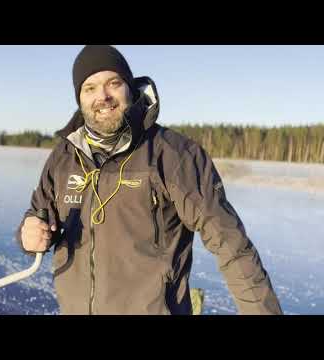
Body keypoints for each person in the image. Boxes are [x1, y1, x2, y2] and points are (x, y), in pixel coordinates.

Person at [16, 45, 283, 315]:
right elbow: (38, 215)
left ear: (130, 88)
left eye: (113, 83)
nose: (103, 97)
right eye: (90, 88)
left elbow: (231, 245)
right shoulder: (64, 156)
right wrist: (28, 235)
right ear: (80, 98)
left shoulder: (174, 155)